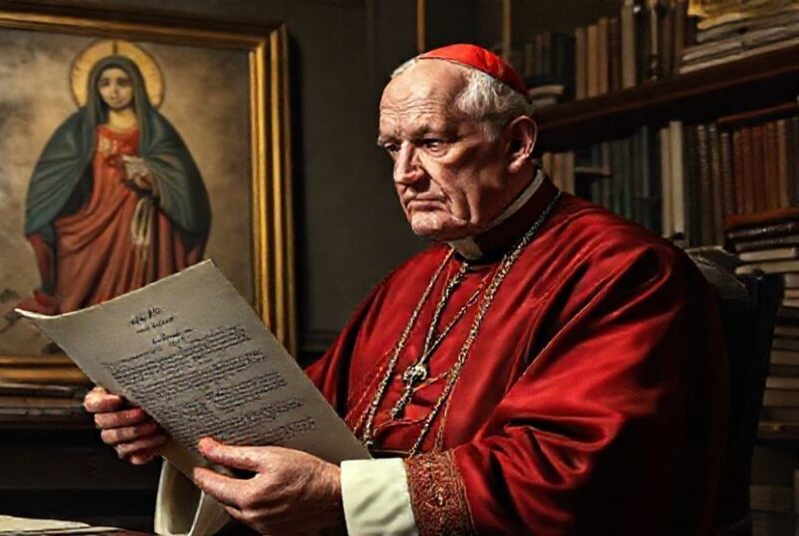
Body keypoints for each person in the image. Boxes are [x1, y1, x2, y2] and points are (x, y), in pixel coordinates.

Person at [84, 44, 728, 535]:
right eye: (391, 148)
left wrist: (341, 497)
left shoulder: (622, 271)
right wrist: (174, 428)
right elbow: (301, 423)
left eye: (432, 143)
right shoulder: (412, 281)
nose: (404, 174)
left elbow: (574, 473)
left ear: (518, 144)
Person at [20, 55, 211, 315]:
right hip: (94, 221)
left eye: (123, 83)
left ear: (137, 87)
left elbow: (182, 182)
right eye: (105, 83)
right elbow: (56, 177)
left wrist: (152, 174)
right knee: (75, 272)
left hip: (140, 229)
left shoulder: (155, 131)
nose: (114, 91)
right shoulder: (81, 130)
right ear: (94, 89)